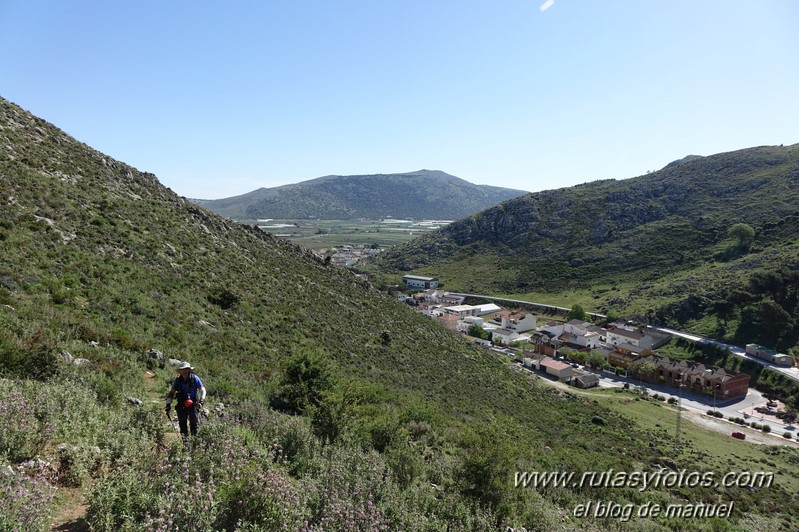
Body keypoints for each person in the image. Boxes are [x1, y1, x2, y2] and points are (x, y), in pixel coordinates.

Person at [165, 362, 206, 437]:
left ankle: (194, 444)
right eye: (182, 369)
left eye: (186, 369)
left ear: (189, 370)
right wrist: (168, 404)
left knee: (195, 425)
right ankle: (186, 444)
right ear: (180, 371)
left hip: (194, 404)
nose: (184, 371)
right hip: (181, 404)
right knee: (183, 426)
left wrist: (201, 401)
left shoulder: (195, 378)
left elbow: (202, 389)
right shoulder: (178, 381)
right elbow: (171, 393)